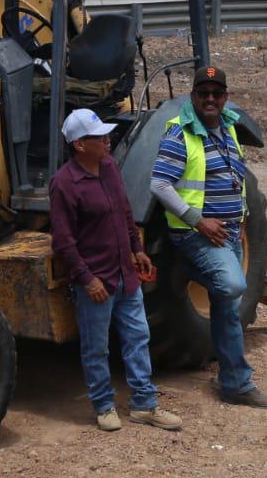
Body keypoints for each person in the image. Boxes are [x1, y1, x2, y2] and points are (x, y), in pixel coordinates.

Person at [150, 66, 267, 408]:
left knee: (228, 308)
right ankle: (189, 271)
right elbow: (159, 184)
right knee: (234, 286)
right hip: (199, 235)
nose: (210, 99)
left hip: (230, 235)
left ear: (224, 98)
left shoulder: (228, 128)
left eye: (216, 94)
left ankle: (235, 383)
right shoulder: (180, 134)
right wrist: (198, 221)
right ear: (192, 97)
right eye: (203, 93)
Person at [50, 108, 183, 433]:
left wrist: (137, 250)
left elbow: (124, 211)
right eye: (99, 137)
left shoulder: (109, 167)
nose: (107, 141)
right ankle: (104, 406)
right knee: (97, 347)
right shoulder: (64, 184)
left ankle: (144, 404)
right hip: (97, 281)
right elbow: (64, 242)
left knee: (138, 337)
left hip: (125, 274)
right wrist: (87, 279)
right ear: (80, 145)